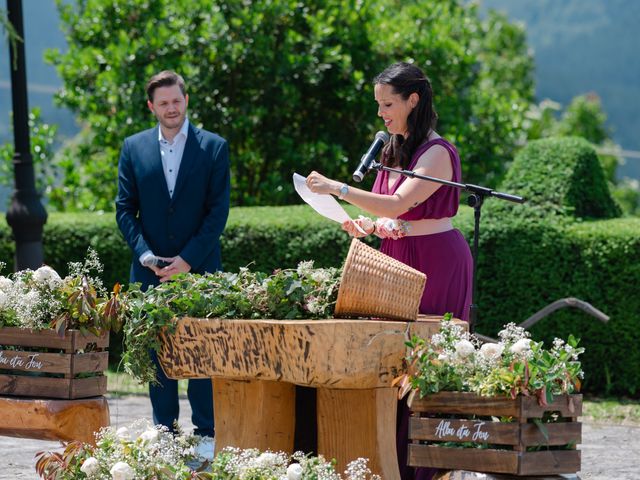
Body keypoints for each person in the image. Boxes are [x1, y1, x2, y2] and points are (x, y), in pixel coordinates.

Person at [306, 61, 472, 480]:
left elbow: (400, 205)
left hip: (436, 261)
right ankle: (384, 462)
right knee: (390, 360)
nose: (381, 113)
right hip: (394, 258)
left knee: (422, 363)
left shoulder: (437, 152)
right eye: (378, 105)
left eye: (388, 104)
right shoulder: (391, 147)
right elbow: (392, 217)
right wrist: (365, 224)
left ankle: (426, 469)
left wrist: (338, 188)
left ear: (413, 100)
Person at [115, 70, 231, 447]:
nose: (171, 108)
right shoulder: (133, 148)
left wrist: (187, 261)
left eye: (176, 101)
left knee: (200, 351)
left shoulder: (214, 147)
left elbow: (218, 213)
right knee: (156, 352)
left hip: (199, 271)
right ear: (152, 106)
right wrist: (146, 255)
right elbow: (123, 209)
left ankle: (207, 435)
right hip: (148, 271)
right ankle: (164, 432)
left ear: (186, 100)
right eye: (163, 103)